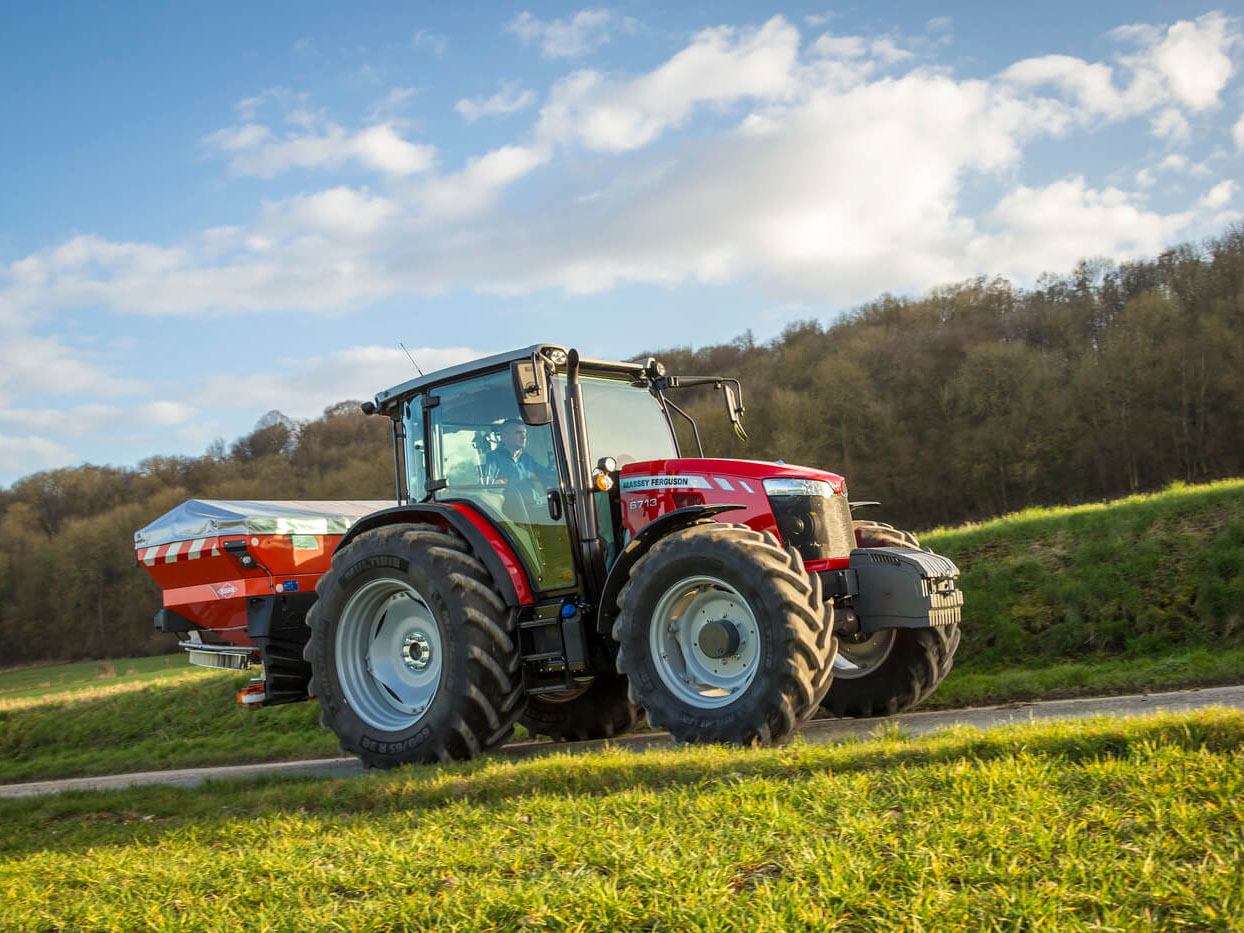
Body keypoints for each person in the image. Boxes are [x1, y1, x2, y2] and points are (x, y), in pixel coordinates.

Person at [484, 419, 548, 488]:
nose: (524, 437)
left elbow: (547, 475)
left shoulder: (527, 459)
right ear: (504, 436)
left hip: (530, 498)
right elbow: (488, 486)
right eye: (518, 433)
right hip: (506, 498)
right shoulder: (493, 458)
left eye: (524, 433)